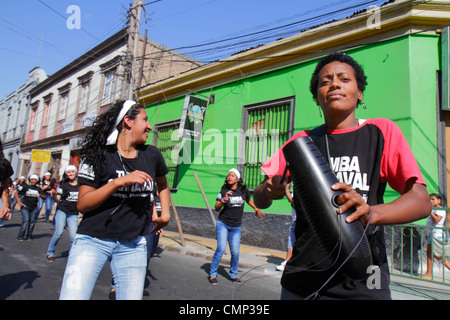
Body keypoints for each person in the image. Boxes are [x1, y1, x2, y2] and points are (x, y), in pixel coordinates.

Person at [253, 52, 430, 300]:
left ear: (360, 93)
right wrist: (269, 189)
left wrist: (371, 213)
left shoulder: (381, 132)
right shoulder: (301, 142)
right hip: (303, 281)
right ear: (316, 97)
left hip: (365, 280)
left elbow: (421, 200)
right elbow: (260, 199)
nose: (334, 84)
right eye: (324, 82)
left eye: (344, 78)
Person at [59, 100, 170, 300]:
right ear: (128, 121)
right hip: (93, 241)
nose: (150, 126)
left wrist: (166, 215)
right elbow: (83, 204)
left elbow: (162, 184)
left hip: (134, 244)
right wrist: (117, 183)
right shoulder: (98, 154)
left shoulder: (151, 155)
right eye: (145, 120)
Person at [209, 168, 264, 285]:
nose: (229, 177)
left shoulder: (243, 190)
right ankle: (213, 274)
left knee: (235, 252)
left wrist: (256, 208)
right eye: (228, 175)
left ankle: (233, 275)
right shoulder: (224, 190)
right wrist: (225, 199)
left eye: (232, 175)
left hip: (235, 227)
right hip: (223, 223)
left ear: (237, 179)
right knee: (220, 249)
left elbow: (248, 199)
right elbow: (217, 207)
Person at [46, 165, 80, 262]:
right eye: (68, 172)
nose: (71, 173)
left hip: (73, 213)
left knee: (73, 236)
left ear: (76, 172)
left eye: (72, 171)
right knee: (58, 232)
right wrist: (54, 194)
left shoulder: (80, 185)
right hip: (62, 210)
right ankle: (50, 252)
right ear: (66, 174)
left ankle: (72, 254)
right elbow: (58, 199)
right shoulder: (64, 185)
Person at [422, 193, 450, 279]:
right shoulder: (434, 210)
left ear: (439, 200)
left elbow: (437, 219)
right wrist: (426, 236)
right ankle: (428, 274)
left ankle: (430, 273)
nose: (431, 201)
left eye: (433, 199)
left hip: (437, 235)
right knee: (429, 253)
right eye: (430, 199)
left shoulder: (440, 209)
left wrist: (430, 211)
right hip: (432, 235)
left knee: (438, 255)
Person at [15, 175, 45, 241]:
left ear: (37, 181)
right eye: (32, 179)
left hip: (34, 207)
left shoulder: (38, 189)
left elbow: (44, 197)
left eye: (34, 179)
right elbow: (16, 193)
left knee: (32, 222)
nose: (33, 181)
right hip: (25, 206)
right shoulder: (26, 187)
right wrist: (19, 202)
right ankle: (20, 236)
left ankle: (29, 236)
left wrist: (40, 195)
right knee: (26, 220)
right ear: (30, 180)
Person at [276, 183, 295, 271]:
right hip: (295, 220)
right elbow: (291, 200)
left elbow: (292, 201)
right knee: (291, 240)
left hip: (300, 221)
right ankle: (288, 261)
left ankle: (289, 262)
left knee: (293, 240)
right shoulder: (297, 191)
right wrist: (286, 189)